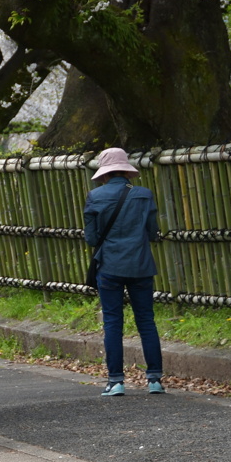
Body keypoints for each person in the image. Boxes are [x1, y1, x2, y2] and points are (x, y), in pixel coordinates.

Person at [84, 147, 164, 397]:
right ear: (126, 170)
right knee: (146, 322)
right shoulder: (144, 195)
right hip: (141, 266)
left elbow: (91, 238)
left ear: (104, 173)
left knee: (113, 322)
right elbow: (152, 232)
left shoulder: (95, 196)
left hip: (110, 267)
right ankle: (155, 380)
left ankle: (116, 381)